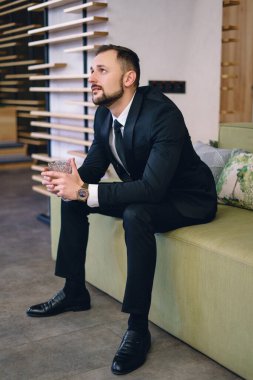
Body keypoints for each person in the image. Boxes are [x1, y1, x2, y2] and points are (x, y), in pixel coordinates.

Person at [26, 44, 217, 375]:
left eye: (102, 70)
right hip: (150, 192)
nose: (92, 77)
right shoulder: (104, 115)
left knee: (135, 214)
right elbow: (94, 168)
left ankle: (138, 329)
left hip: (187, 198)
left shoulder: (162, 115)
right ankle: (74, 292)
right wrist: (67, 178)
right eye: (91, 71)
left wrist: (85, 189)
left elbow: (153, 189)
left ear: (129, 78)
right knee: (74, 199)